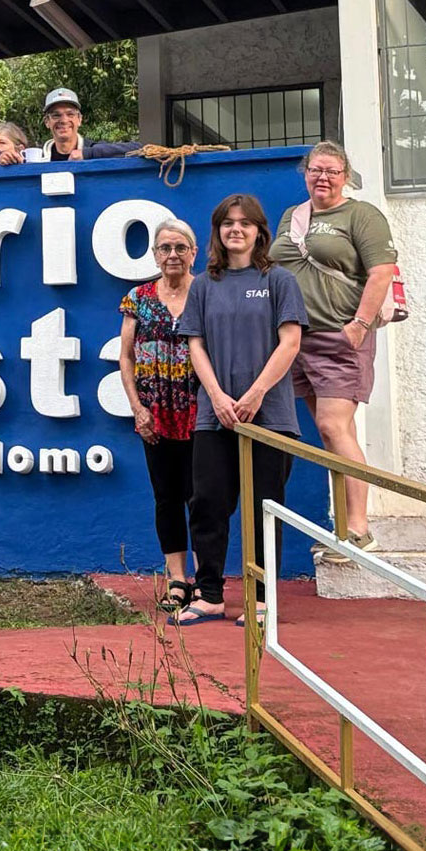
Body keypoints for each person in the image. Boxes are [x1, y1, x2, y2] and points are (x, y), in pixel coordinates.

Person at [173, 195, 305, 627]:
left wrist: (254, 395)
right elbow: (195, 344)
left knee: (264, 508)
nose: (236, 230)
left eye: (245, 223)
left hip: (269, 417)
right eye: (228, 223)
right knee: (208, 502)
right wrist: (217, 396)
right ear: (217, 231)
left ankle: (264, 601)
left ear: (259, 231)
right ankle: (209, 595)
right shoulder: (204, 286)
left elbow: (290, 343)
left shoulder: (278, 280)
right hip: (215, 417)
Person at [267, 141, 399, 556]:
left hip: (340, 339)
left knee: (332, 426)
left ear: (345, 177)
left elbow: (381, 271)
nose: (323, 177)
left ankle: (359, 528)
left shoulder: (360, 215)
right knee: (332, 433)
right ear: (305, 173)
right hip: (296, 340)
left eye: (332, 171)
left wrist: (359, 326)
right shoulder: (294, 216)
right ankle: (347, 525)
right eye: (316, 170)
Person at [117, 220, 201, 612]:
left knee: (202, 497)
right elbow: (126, 356)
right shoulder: (139, 297)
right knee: (167, 497)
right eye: (165, 248)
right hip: (155, 415)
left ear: (193, 253)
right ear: (154, 254)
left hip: (201, 412)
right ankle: (177, 578)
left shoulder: (206, 293)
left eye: (180, 248)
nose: (172, 255)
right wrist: (138, 409)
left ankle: (207, 577)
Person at [25, 88, 142, 163]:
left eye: (70, 114)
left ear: (79, 119)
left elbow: (139, 148)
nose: (64, 120)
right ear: (47, 122)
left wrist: (87, 154)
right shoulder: (37, 156)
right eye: (56, 115)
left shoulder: (92, 149)